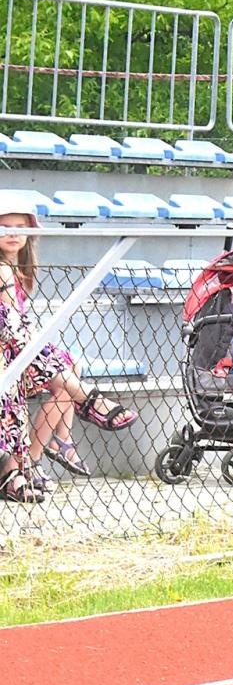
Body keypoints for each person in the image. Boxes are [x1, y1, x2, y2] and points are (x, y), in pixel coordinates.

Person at [0, 202, 136, 495]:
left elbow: (18, 329)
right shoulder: (2, 271)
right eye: (5, 227)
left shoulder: (16, 270)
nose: (13, 233)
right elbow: (11, 328)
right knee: (61, 371)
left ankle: (44, 451)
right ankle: (85, 407)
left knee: (69, 366)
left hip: (16, 353)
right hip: (8, 355)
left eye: (20, 228)